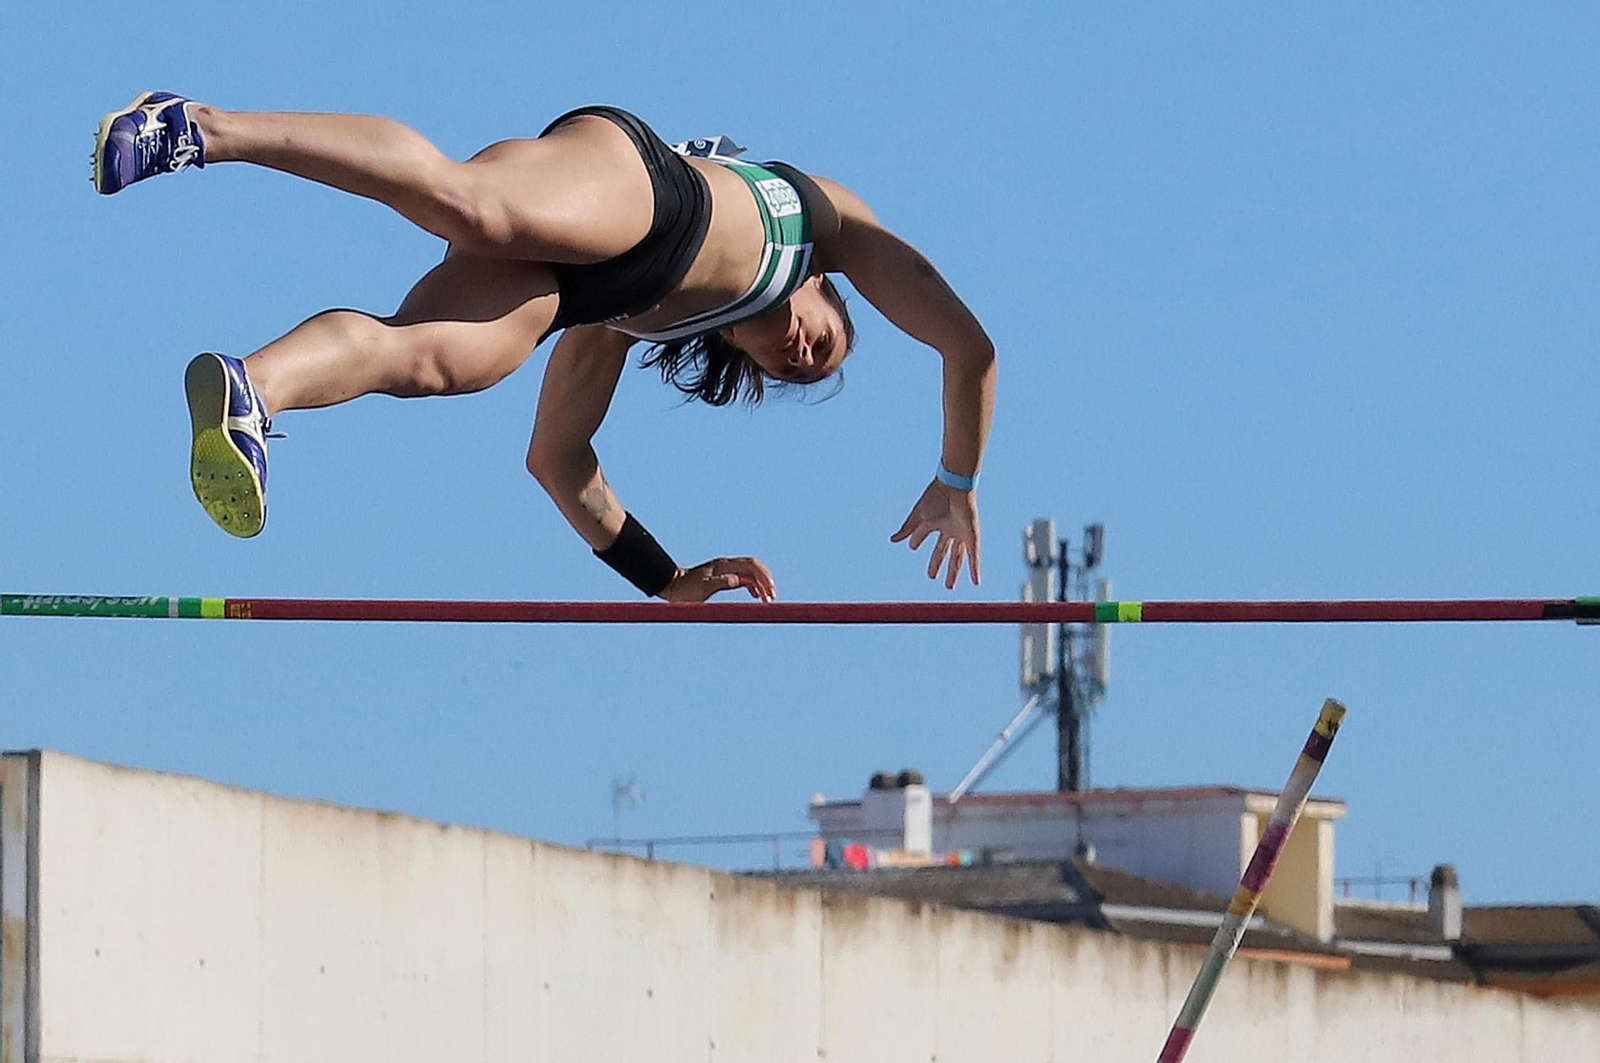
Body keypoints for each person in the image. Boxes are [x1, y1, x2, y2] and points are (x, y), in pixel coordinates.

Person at [94, 93, 996, 600]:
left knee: (431, 361)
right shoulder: (823, 223)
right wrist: (957, 481)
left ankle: (255, 393)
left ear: (740, 356)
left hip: (587, 287)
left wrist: (667, 577)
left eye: (795, 367)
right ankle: (203, 128)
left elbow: (559, 461)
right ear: (824, 292)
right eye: (827, 337)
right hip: (644, 189)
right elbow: (968, 347)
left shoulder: (631, 327)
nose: (805, 352)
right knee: (470, 207)